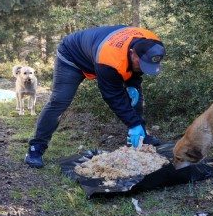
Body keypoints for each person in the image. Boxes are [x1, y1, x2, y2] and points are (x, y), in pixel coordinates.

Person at [24, 25, 166, 168]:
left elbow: (137, 70)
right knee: (59, 101)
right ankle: (35, 149)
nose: (143, 68)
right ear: (132, 52)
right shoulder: (110, 58)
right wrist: (133, 124)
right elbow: (113, 96)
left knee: (135, 96)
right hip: (72, 56)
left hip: (98, 52)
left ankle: (140, 138)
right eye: (140, 63)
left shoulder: (153, 43)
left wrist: (133, 84)